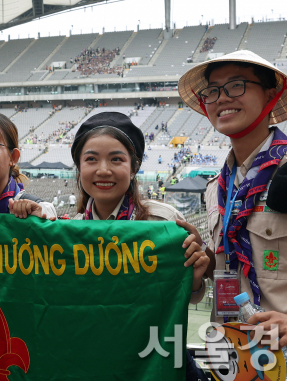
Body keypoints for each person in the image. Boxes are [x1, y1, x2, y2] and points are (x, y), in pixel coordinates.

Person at [178, 50, 287, 380]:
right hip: (232, 359)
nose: (222, 98)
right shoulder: (216, 187)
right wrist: (205, 261)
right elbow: (233, 265)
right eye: (212, 90)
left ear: (271, 94)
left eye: (236, 85)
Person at [40, 112, 209, 380]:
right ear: (79, 167)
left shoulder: (162, 222)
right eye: (91, 159)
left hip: (150, 355)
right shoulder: (68, 230)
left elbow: (185, 295)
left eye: (116, 159)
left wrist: (195, 280)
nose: (103, 170)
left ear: (134, 167)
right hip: (91, 355)